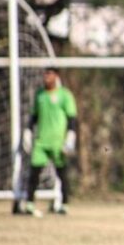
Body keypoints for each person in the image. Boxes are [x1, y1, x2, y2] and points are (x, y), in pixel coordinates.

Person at [14, 67, 77, 216]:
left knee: (62, 174)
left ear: (56, 76)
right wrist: (28, 132)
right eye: (45, 74)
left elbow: (72, 119)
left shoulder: (65, 95)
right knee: (34, 173)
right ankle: (29, 204)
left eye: (50, 74)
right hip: (41, 141)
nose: (46, 77)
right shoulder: (40, 94)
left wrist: (70, 137)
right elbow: (34, 116)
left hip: (58, 142)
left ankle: (65, 204)